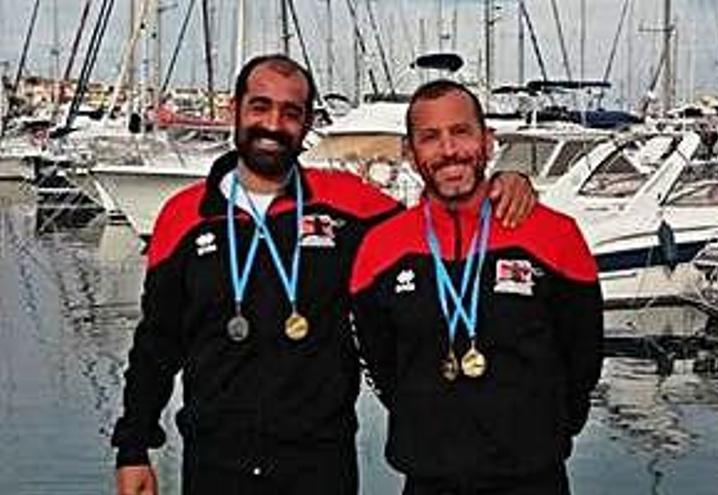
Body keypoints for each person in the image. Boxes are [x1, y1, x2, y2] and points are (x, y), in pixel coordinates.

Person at [112, 55, 536, 495]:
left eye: (290, 112)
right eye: (260, 107)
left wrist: (503, 181)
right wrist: (133, 448)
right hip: (215, 465)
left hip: (320, 465)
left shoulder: (352, 207)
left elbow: (437, 223)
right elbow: (156, 344)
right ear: (235, 109)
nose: (273, 124)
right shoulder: (182, 217)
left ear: (307, 122)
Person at [350, 80, 604, 495]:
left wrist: (546, 428)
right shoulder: (380, 249)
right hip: (428, 477)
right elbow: (381, 363)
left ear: (488, 141)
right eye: (430, 138)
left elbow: (583, 358)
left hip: (532, 476)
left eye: (461, 132)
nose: (448, 150)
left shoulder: (555, 235)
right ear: (412, 155)